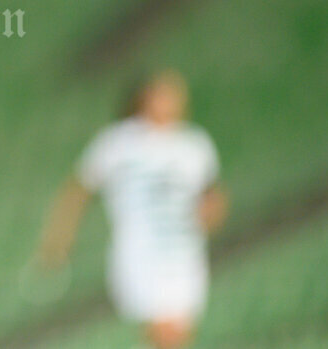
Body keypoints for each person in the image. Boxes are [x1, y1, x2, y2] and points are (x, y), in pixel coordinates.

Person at [35, 71, 228, 349]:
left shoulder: (195, 145)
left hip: (184, 253)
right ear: (144, 99)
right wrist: (57, 242)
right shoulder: (119, 143)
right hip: (141, 255)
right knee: (164, 334)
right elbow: (77, 191)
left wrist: (211, 212)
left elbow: (212, 196)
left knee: (179, 335)